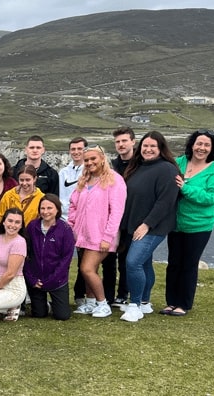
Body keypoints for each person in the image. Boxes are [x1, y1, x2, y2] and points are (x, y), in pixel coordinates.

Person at [163, 130, 214, 316]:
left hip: (199, 225)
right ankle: (171, 302)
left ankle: (183, 304)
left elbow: (212, 197)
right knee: (173, 263)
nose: (202, 148)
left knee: (189, 264)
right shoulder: (180, 162)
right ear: (192, 144)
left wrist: (186, 188)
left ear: (212, 148)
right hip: (176, 223)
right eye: (199, 143)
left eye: (207, 145)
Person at [119, 131, 180, 322]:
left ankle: (135, 305)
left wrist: (146, 225)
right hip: (134, 223)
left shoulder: (167, 169)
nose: (148, 149)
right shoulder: (137, 167)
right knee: (144, 263)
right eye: (145, 145)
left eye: (153, 146)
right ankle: (145, 302)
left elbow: (165, 202)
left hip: (153, 226)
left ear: (161, 148)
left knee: (133, 263)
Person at [68, 145, 126, 318]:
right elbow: (73, 204)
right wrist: (72, 226)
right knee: (88, 268)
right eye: (86, 160)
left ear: (102, 159)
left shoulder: (114, 180)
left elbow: (117, 211)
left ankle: (103, 303)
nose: (90, 163)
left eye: (93, 159)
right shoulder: (84, 180)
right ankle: (91, 302)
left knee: (87, 268)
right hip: (82, 234)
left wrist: (108, 236)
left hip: (102, 235)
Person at [24, 194, 75, 320]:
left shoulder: (65, 229)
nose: (45, 212)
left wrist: (51, 279)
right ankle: (44, 305)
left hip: (57, 280)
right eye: (42, 208)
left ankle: (55, 303)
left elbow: (66, 259)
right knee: (39, 314)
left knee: (62, 316)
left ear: (57, 209)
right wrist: (31, 279)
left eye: (49, 208)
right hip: (36, 281)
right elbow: (25, 254)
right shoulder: (32, 226)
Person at [102, 126, 136, 307]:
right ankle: (107, 296)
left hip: (132, 219)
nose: (121, 144)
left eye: (124, 141)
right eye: (117, 142)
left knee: (127, 260)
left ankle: (123, 294)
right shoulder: (112, 166)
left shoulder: (140, 165)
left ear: (133, 142)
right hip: (111, 220)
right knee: (108, 259)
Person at [58, 137, 87, 218]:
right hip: (63, 219)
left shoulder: (90, 172)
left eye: (79, 149)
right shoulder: (63, 172)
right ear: (69, 151)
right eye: (73, 149)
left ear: (85, 150)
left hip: (82, 219)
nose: (76, 152)